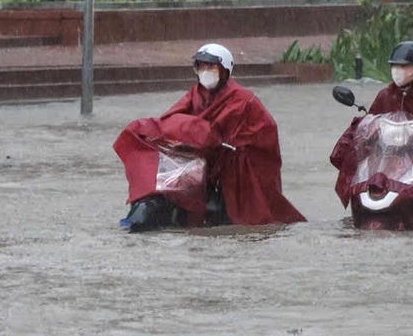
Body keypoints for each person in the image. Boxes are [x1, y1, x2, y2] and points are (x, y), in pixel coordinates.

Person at [115, 43, 306, 229]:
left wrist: (229, 144)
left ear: (224, 70)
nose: (206, 71)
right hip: (200, 160)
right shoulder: (196, 93)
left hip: (234, 167)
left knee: (245, 215)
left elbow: (264, 136)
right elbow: (173, 119)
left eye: (212, 66)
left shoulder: (244, 100)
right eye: (202, 66)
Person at [329, 40, 413, 228]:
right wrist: (365, 131)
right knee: (361, 190)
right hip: (387, 167)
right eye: (395, 66)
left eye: (404, 66)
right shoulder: (384, 96)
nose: (398, 70)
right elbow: (369, 124)